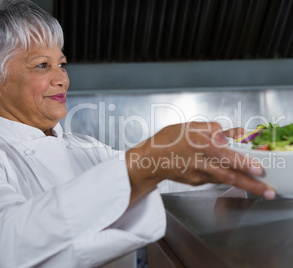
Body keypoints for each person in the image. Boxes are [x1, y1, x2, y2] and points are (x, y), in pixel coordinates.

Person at [0, 0, 275, 267]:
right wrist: (143, 162)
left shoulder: (85, 148)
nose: (61, 78)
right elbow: (9, 242)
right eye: (41, 65)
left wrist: (227, 152)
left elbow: (166, 179)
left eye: (61, 64)